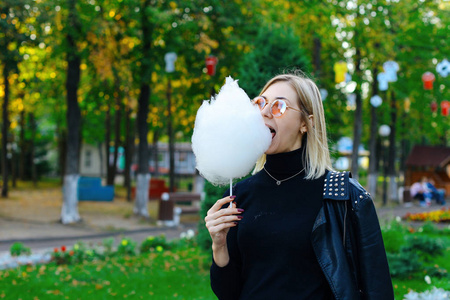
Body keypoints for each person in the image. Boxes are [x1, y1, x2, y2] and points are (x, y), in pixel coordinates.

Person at [205, 73, 394, 300]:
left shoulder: (342, 196)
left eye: (279, 106)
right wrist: (219, 245)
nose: (264, 111)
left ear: (306, 123)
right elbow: (229, 293)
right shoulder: (239, 195)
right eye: (260, 102)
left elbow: (377, 287)